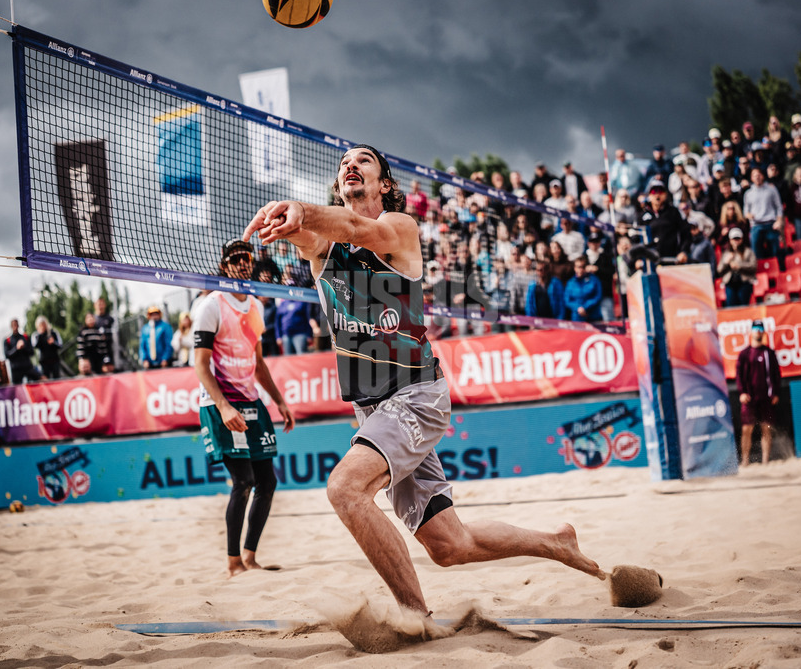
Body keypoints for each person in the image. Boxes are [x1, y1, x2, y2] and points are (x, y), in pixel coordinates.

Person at [242, 143, 602, 616]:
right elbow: (315, 235)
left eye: (363, 160)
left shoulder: (400, 228)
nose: (350, 164)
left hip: (415, 394)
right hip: (373, 407)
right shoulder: (324, 247)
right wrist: (290, 222)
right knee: (450, 545)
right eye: (344, 162)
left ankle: (415, 618)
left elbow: (357, 228)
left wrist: (302, 209)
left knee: (345, 489)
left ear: (385, 184)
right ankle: (556, 543)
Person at [193, 239, 295, 578]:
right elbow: (200, 365)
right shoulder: (210, 306)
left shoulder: (255, 306)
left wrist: (279, 401)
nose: (242, 263)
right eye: (235, 258)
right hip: (220, 402)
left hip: (251, 399)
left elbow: (258, 362)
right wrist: (223, 407)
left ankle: (250, 558)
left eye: (246, 257)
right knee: (243, 481)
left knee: (268, 482)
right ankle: (233, 563)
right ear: (224, 266)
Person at [735, 321, 781, 466]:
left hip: (766, 397)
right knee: (746, 429)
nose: (758, 331)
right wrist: (742, 392)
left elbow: (776, 375)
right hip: (749, 398)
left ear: (764, 332)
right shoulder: (744, 354)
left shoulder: (769, 353)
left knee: (766, 428)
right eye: (755, 328)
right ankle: (745, 461)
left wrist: (775, 393)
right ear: (751, 332)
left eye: (760, 328)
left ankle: (765, 461)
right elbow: (739, 375)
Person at [743, 167, 785, 264]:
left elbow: (779, 207)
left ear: (762, 176)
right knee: (757, 254)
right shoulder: (748, 193)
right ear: (751, 178)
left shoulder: (771, 189)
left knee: (775, 253)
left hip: (771, 224)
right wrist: (749, 215)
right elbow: (745, 211)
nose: (757, 177)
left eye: (759, 175)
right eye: (754, 176)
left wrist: (779, 221)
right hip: (756, 225)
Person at [715, 228, 757, 307]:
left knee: (744, 306)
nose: (736, 241)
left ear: (741, 239)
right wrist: (726, 263)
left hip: (744, 282)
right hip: (730, 283)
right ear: (730, 240)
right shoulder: (726, 253)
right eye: (734, 239)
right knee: (731, 306)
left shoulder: (748, 252)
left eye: (738, 239)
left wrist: (739, 266)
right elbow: (719, 270)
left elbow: (753, 267)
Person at [563, 255, 603, 322]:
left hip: (593, 316)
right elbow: (567, 300)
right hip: (577, 318)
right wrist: (578, 308)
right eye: (578, 267)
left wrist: (585, 307)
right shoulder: (571, 282)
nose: (580, 270)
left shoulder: (594, 280)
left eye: (583, 267)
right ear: (574, 268)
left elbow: (598, 296)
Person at [4, 318, 40, 384]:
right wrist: (16, 348)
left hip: (27, 367)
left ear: (18, 325)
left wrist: (24, 347)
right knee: (17, 387)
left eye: (16, 325)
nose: (15, 327)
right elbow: (7, 355)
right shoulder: (7, 340)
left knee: (37, 379)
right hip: (15, 370)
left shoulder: (25, 337)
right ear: (11, 326)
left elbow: (31, 352)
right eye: (13, 325)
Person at [32, 315, 62, 379]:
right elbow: (35, 346)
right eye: (41, 325)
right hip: (43, 362)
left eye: (44, 324)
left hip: (54, 360)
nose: (43, 326)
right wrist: (40, 335)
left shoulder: (53, 333)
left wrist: (53, 342)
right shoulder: (36, 335)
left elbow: (60, 345)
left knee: (56, 378)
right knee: (45, 379)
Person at [94, 297, 118, 373]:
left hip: (108, 349)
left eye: (102, 304)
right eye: (98, 304)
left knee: (109, 369)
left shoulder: (110, 319)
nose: (100, 306)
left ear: (105, 305)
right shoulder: (93, 319)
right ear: (95, 305)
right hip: (96, 350)